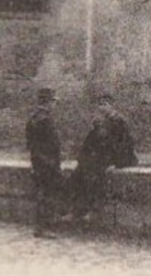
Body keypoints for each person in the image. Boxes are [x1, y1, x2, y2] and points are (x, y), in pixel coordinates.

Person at [72, 92, 137, 222]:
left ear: (112, 105)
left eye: (105, 104)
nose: (102, 108)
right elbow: (90, 142)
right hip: (102, 157)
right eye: (100, 105)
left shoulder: (119, 122)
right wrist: (82, 158)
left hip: (116, 158)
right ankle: (77, 210)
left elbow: (125, 144)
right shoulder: (99, 122)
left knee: (96, 174)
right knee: (79, 173)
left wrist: (118, 163)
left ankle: (94, 210)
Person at [25, 88, 63, 238]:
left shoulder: (33, 118)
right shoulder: (46, 119)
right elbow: (52, 143)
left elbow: (30, 143)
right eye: (54, 101)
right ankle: (44, 227)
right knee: (48, 194)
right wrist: (52, 161)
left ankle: (40, 226)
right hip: (48, 162)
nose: (55, 105)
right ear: (48, 102)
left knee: (42, 193)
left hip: (37, 161)